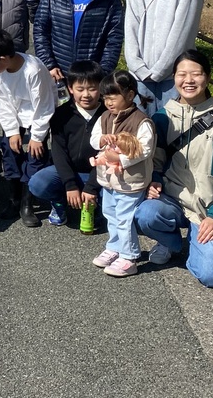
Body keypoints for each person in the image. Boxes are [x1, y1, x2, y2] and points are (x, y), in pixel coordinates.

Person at [134, 49, 213, 288]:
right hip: (173, 200)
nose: (188, 80)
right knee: (144, 214)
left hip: (210, 209)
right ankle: (172, 243)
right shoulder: (162, 118)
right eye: (182, 74)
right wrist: (154, 179)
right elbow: (154, 163)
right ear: (174, 78)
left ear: (207, 77)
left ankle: (204, 246)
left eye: (196, 74)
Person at [0, 27, 55, 227]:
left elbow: (44, 105)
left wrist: (37, 136)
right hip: (15, 112)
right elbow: (2, 102)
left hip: (37, 113)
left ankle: (27, 204)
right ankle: (14, 199)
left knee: (35, 155)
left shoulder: (33, 70)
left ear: (3, 59)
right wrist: (12, 131)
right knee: (10, 151)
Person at [83, 70, 155, 277]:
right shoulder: (105, 117)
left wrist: (121, 159)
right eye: (105, 98)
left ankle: (129, 256)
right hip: (108, 179)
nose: (108, 103)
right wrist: (101, 140)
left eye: (113, 97)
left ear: (130, 95)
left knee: (125, 218)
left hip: (130, 182)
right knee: (110, 214)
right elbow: (94, 139)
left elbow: (145, 150)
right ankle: (114, 246)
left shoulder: (141, 121)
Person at [124, 0, 204, 114]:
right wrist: (138, 67)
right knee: (141, 128)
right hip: (140, 78)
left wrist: (161, 70)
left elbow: (182, 31)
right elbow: (130, 31)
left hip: (173, 77)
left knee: (174, 128)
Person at [28, 60, 106, 226]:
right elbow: (59, 152)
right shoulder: (62, 114)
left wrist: (91, 187)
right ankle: (59, 202)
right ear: (70, 88)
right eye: (80, 89)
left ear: (101, 87)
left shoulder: (108, 115)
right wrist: (70, 185)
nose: (86, 94)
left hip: (100, 174)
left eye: (92, 88)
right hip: (69, 171)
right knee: (38, 183)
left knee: (113, 197)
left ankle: (98, 206)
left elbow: (106, 156)